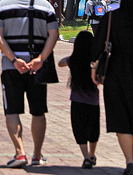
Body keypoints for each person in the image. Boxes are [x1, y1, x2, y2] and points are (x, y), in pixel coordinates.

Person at [0, 0, 59, 169]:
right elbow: (53, 34)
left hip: (11, 67)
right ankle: (37, 155)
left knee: (12, 110)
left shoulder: (1, 6)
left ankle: (20, 152)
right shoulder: (45, 6)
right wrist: (40, 58)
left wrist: (13, 60)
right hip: (37, 66)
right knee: (38, 111)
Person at [92, 0, 133, 175]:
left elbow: (97, 47)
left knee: (121, 117)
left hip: (118, 71)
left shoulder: (112, 17)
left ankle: (129, 161)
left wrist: (93, 66)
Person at [58, 30, 100, 169]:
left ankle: (86, 157)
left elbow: (60, 63)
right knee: (93, 128)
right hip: (93, 102)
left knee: (79, 129)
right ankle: (92, 154)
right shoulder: (94, 63)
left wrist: (73, 57)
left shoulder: (74, 60)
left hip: (76, 100)